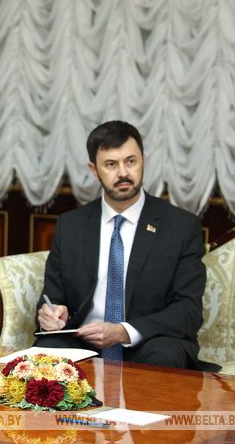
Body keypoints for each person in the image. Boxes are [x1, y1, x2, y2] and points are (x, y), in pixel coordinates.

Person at [34, 121, 208, 369]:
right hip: (83, 341)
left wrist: (124, 332)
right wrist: (50, 313)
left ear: (143, 161)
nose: (123, 173)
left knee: (165, 355)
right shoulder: (71, 225)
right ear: (94, 170)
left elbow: (188, 310)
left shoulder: (180, 226)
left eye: (131, 161)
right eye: (111, 165)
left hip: (149, 341)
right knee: (46, 352)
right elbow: (52, 297)